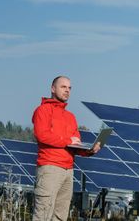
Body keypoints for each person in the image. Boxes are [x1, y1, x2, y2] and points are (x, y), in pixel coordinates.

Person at [32, 75, 100, 221]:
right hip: (50, 168)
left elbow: (75, 145)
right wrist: (68, 140)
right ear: (52, 88)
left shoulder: (70, 117)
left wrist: (89, 151)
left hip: (68, 170)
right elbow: (42, 135)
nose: (67, 90)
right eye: (63, 87)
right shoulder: (43, 110)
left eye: (69, 88)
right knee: (43, 215)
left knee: (60, 217)